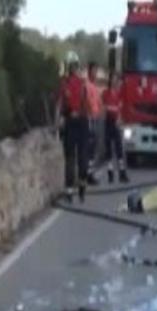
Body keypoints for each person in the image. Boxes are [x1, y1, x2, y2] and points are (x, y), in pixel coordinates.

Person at [57, 52, 90, 202]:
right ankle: (82, 188)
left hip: (70, 122)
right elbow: (87, 105)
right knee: (82, 155)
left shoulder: (64, 84)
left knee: (70, 157)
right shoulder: (83, 84)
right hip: (82, 122)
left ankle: (70, 191)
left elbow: (61, 105)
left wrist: (60, 120)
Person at [101, 75, 129, 184]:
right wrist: (112, 109)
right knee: (109, 149)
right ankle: (110, 173)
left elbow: (120, 108)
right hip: (108, 122)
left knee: (119, 148)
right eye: (113, 80)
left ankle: (122, 173)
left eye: (116, 80)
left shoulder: (118, 94)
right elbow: (104, 107)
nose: (115, 82)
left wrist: (120, 119)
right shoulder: (106, 93)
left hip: (116, 122)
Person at [85, 62, 102, 185]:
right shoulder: (87, 86)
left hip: (95, 118)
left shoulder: (95, 86)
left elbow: (98, 103)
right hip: (89, 119)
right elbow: (87, 102)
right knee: (90, 147)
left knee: (94, 147)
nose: (95, 73)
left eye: (96, 70)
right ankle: (88, 174)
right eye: (94, 70)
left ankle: (90, 172)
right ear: (89, 71)